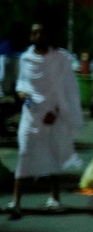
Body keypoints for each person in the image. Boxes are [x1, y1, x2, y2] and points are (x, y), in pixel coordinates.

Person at [3, 23, 83, 220]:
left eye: (42, 32)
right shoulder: (25, 58)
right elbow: (22, 83)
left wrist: (55, 111)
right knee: (24, 153)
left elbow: (63, 89)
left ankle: (54, 197)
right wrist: (22, 93)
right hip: (31, 115)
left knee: (52, 154)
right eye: (34, 33)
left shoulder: (59, 59)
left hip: (52, 116)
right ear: (31, 37)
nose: (38, 35)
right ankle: (16, 202)